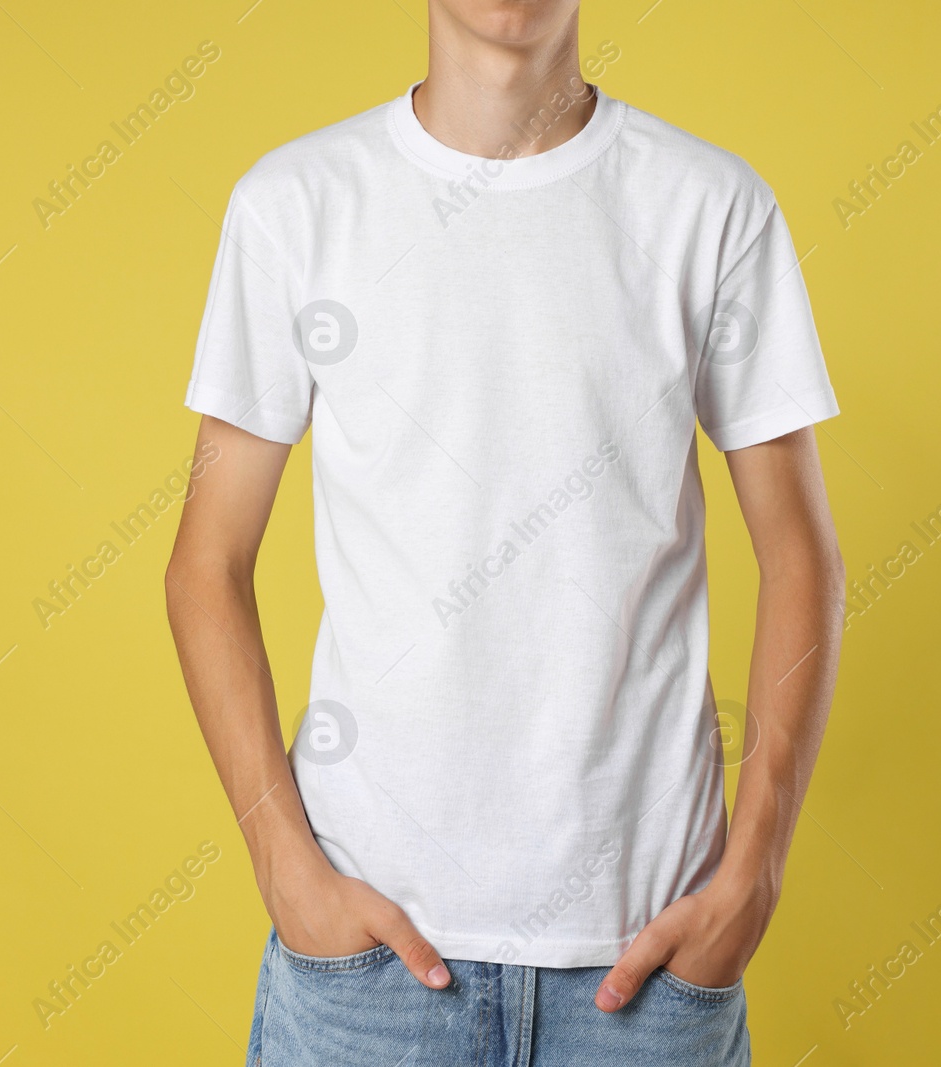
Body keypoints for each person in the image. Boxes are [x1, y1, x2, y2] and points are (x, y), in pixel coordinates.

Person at [165, 1, 844, 1062]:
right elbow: (206, 560)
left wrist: (752, 868)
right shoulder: (294, 206)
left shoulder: (708, 205)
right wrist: (286, 868)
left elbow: (799, 550)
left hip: (647, 965)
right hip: (368, 970)